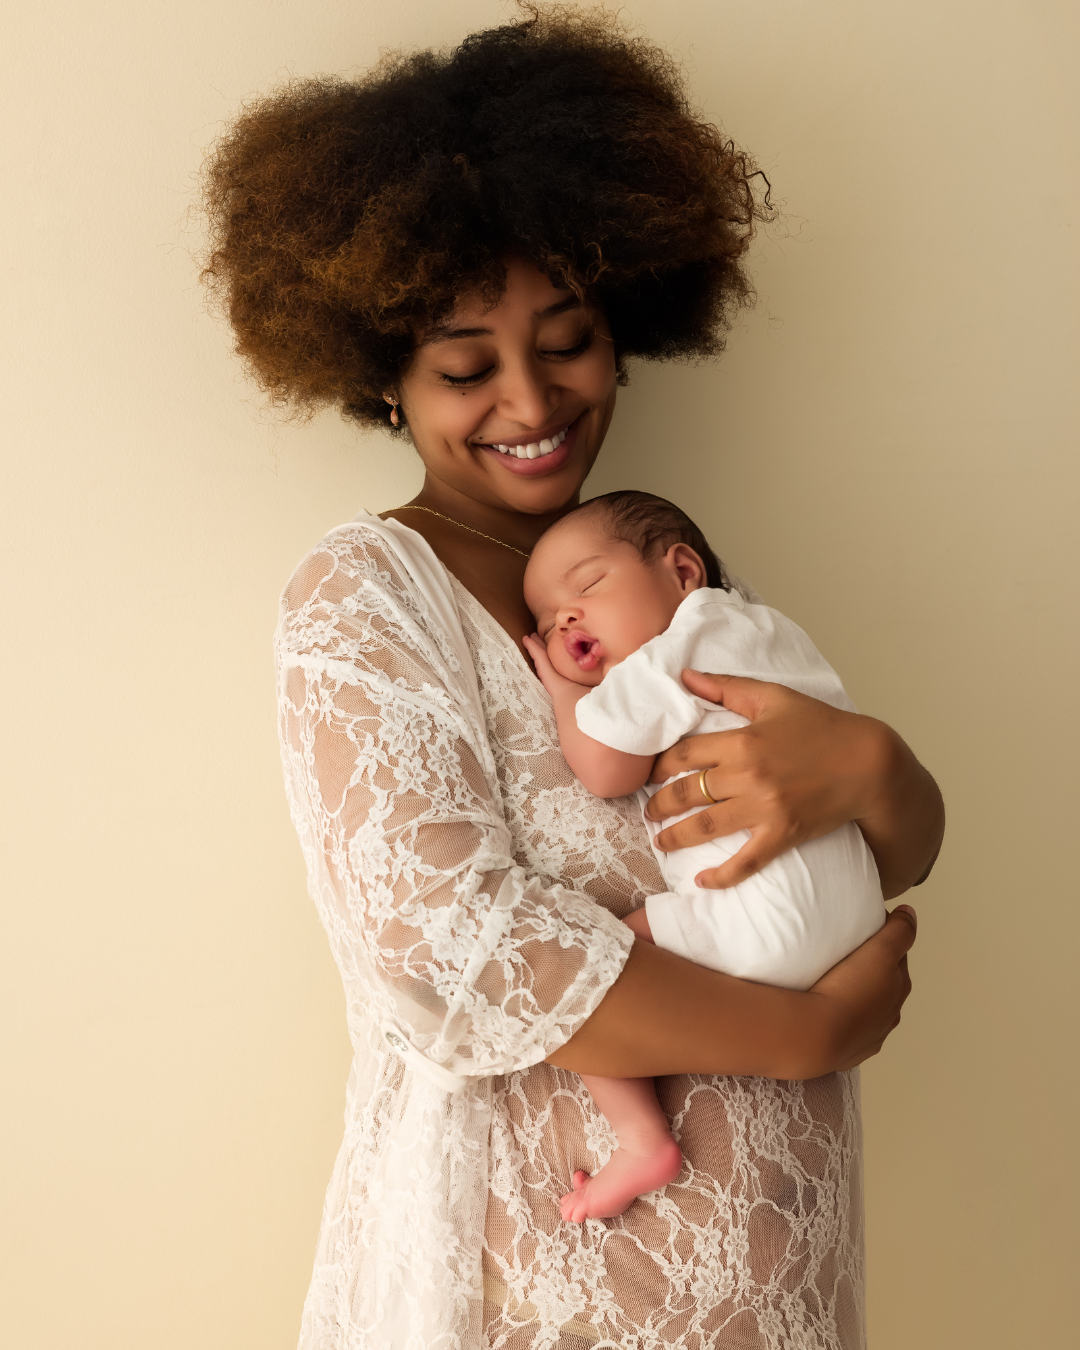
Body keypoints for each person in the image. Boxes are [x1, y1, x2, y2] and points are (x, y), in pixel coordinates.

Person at [202, 8, 942, 1347]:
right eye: (464, 366)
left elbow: (877, 837)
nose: (533, 402)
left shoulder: (657, 575)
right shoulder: (364, 597)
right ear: (382, 381)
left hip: (778, 1275)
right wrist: (802, 1033)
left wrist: (881, 768)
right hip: (532, 1285)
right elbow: (451, 951)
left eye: (570, 338)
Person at [521, 491, 887, 1223]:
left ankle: (641, 1139)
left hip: (765, 925)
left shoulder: (673, 652)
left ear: (683, 572)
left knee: (595, 968)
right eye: (544, 619)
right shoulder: (768, 630)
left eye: (587, 586)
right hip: (860, 918)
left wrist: (564, 692)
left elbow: (603, 770)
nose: (564, 618)